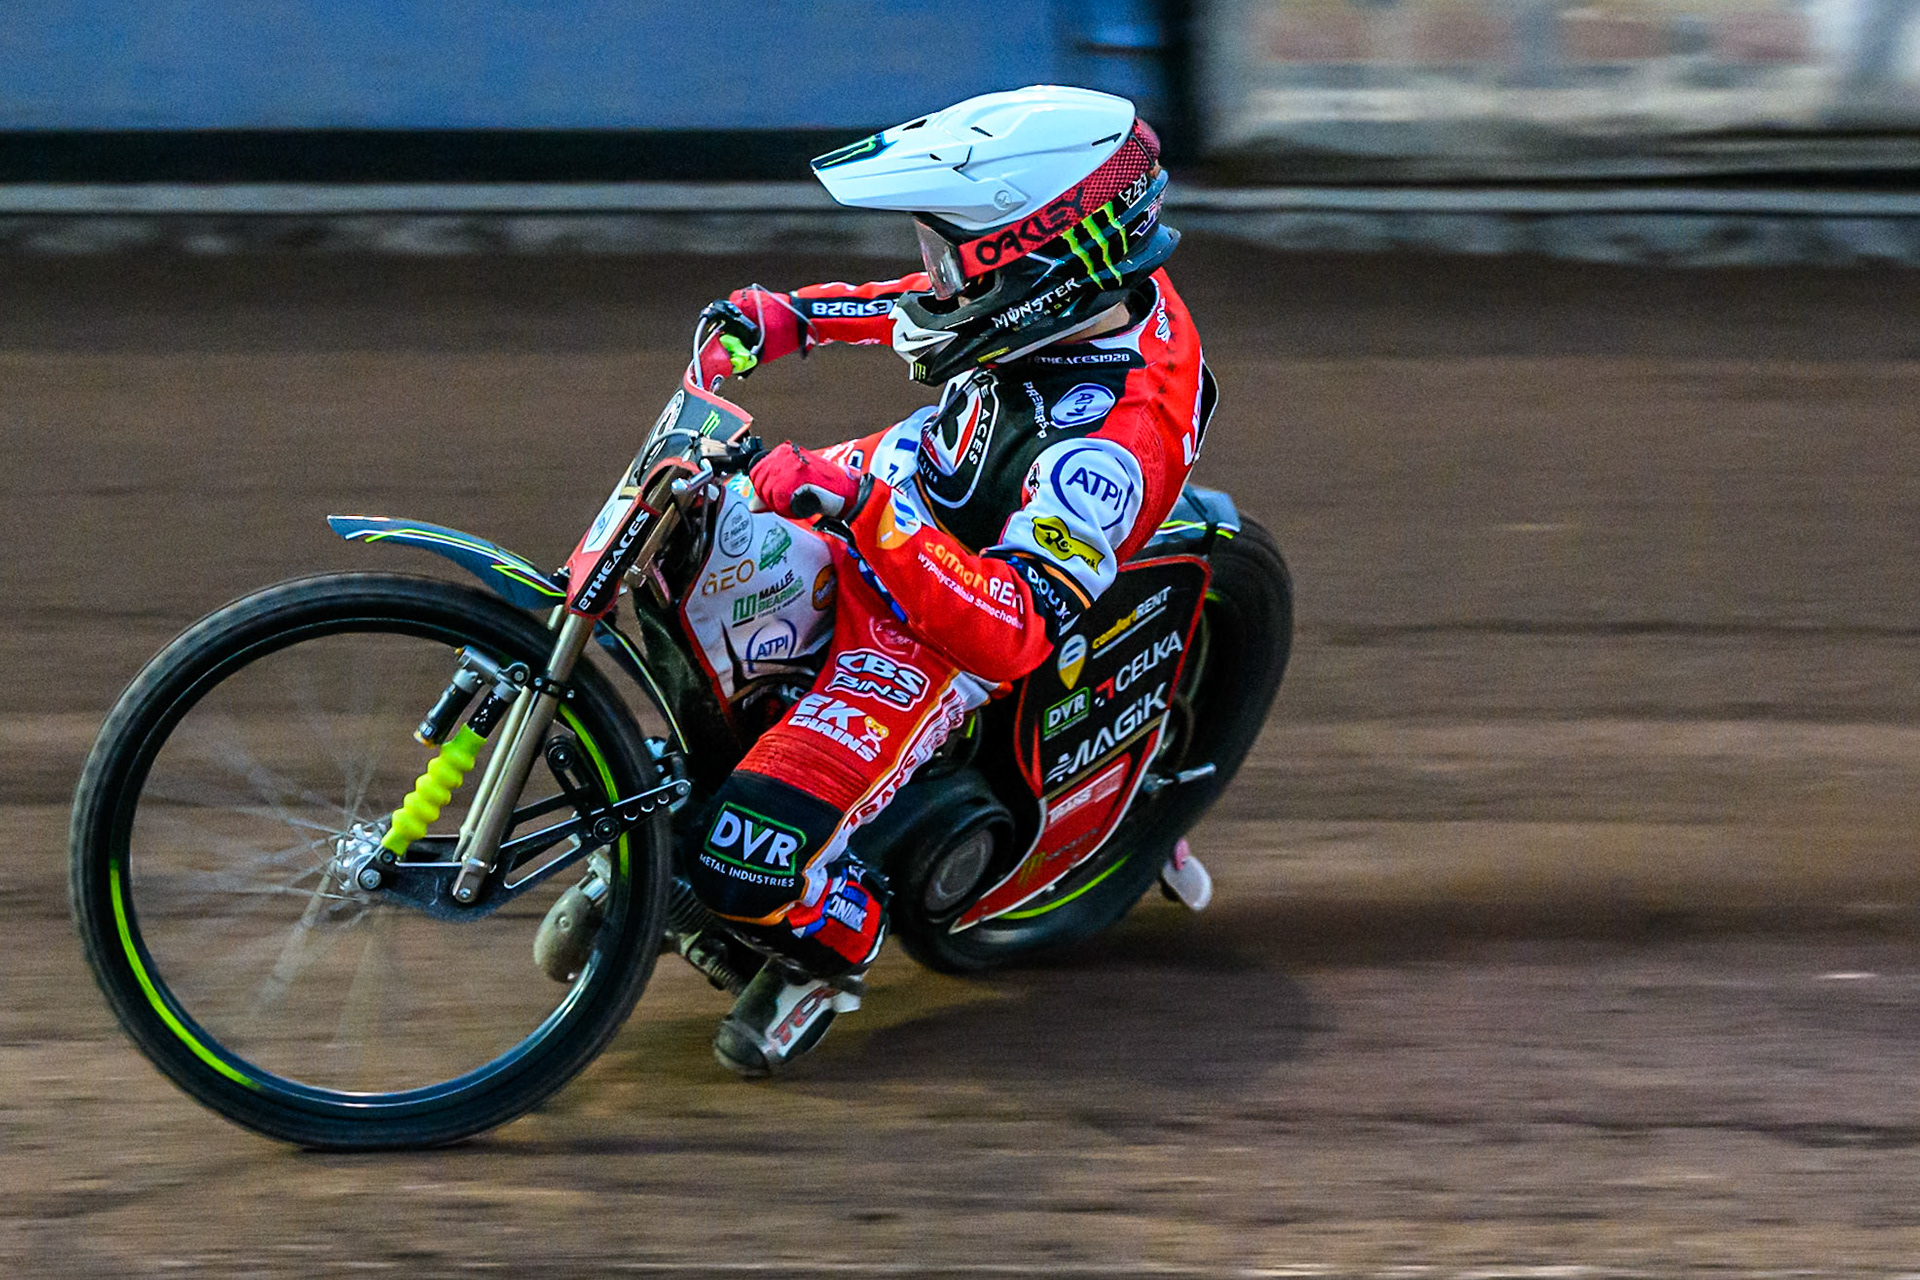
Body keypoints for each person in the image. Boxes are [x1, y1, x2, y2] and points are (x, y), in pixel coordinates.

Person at [680, 85, 1217, 1076]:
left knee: (738, 856)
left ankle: (837, 928)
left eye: (951, 254)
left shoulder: (1110, 448)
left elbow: (1010, 632)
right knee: (685, 549)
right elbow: (936, 300)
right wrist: (796, 318)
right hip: (912, 484)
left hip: (937, 617)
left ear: (1041, 271)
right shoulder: (1062, 298)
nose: (932, 275)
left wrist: (859, 513)